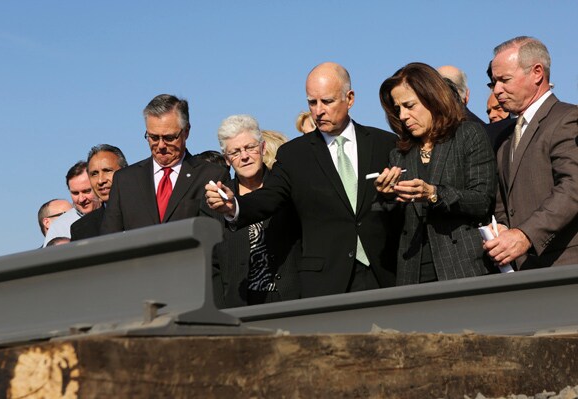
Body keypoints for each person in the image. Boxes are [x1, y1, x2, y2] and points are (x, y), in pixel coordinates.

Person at [206, 62, 398, 298]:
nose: (318, 111)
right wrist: (234, 206)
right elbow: (270, 196)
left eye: (326, 101)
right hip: (326, 283)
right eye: (311, 102)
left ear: (349, 98)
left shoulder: (385, 145)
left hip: (384, 274)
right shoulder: (294, 154)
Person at [376, 62, 497, 285]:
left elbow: (482, 200)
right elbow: (393, 224)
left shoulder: (468, 134)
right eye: (398, 109)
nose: (403, 115)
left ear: (432, 98)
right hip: (413, 272)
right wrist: (386, 196)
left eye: (409, 105)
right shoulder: (399, 153)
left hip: (463, 267)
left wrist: (434, 194)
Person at [484, 36, 578, 270]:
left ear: (537, 73)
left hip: (565, 266)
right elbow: (505, 199)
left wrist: (525, 235)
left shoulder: (568, 119)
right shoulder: (505, 137)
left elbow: (573, 187)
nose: (497, 90)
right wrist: (503, 227)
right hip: (525, 272)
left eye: (504, 80)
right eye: (493, 82)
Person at [202, 115, 300, 308]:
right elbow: (212, 267)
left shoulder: (289, 189)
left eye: (250, 148)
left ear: (263, 148)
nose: (244, 156)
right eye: (235, 152)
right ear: (227, 160)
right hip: (241, 306)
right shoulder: (214, 204)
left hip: (292, 301)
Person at [101, 94, 230, 233]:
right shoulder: (125, 180)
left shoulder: (211, 176)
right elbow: (109, 239)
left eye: (169, 138)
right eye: (154, 137)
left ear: (186, 131)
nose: (161, 145)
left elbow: (218, 239)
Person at [70, 144, 128, 240]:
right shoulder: (81, 229)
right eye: (94, 174)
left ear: (125, 171)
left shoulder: (148, 209)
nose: (100, 181)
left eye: (107, 171)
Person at [44, 161, 101, 246]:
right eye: (75, 193)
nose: (81, 199)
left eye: (86, 191)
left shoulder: (115, 212)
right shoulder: (59, 228)